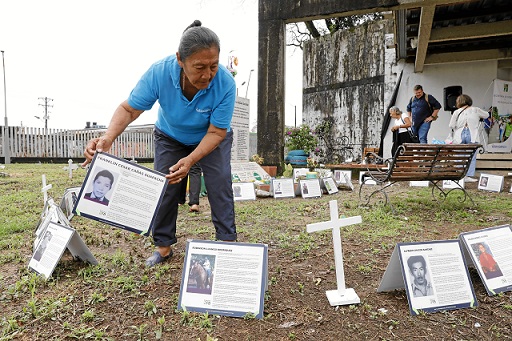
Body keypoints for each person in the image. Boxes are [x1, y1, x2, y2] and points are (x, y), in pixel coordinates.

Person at [82, 20, 237, 267]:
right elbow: (129, 109)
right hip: (170, 136)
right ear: (180, 60)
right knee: (164, 187)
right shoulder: (159, 73)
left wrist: (191, 159)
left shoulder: (225, 84)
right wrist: (108, 137)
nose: (207, 75)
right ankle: (163, 248)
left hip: (211, 138)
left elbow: (217, 132)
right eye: (199, 67)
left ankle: (227, 247)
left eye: (213, 66)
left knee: (220, 186)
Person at [448, 94, 488, 182]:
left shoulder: (457, 112)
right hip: (472, 134)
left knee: (459, 155)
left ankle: (460, 174)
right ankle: (468, 175)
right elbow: (487, 115)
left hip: (460, 134)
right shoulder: (475, 110)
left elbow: (451, 125)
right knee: (471, 156)